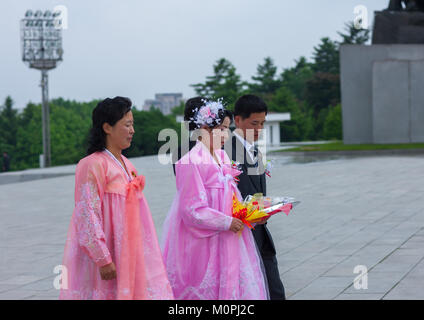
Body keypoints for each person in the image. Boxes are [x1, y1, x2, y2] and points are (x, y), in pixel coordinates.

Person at [60, 96, 173, 300]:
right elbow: (87, 214)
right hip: (108, 254)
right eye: (127, 125)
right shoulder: (92, 164)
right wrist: (102, 257)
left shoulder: (128, 165)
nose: (132, 131)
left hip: (130, 251)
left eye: (133, 125)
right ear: (107, 127)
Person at [161, 99, 268, 300]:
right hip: (204, 241)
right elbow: (191, 209)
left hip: (228, 237)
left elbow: (231, 196)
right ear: (204, 128)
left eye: (227, 129)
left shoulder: (223, 157)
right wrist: (226, 221)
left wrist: (250, 213)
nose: (226, 135)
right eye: (221, 129)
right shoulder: (190, 161)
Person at [224, 94, 286, 300]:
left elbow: (256, 193)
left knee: (274, 289)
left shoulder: (255, 151)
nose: (259, 129)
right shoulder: (225, 151)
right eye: (254, 123)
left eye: (262, 123)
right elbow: (224, 195)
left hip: (260, 230)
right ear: (238, 120)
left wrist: (268, 207)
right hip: (240, 234)